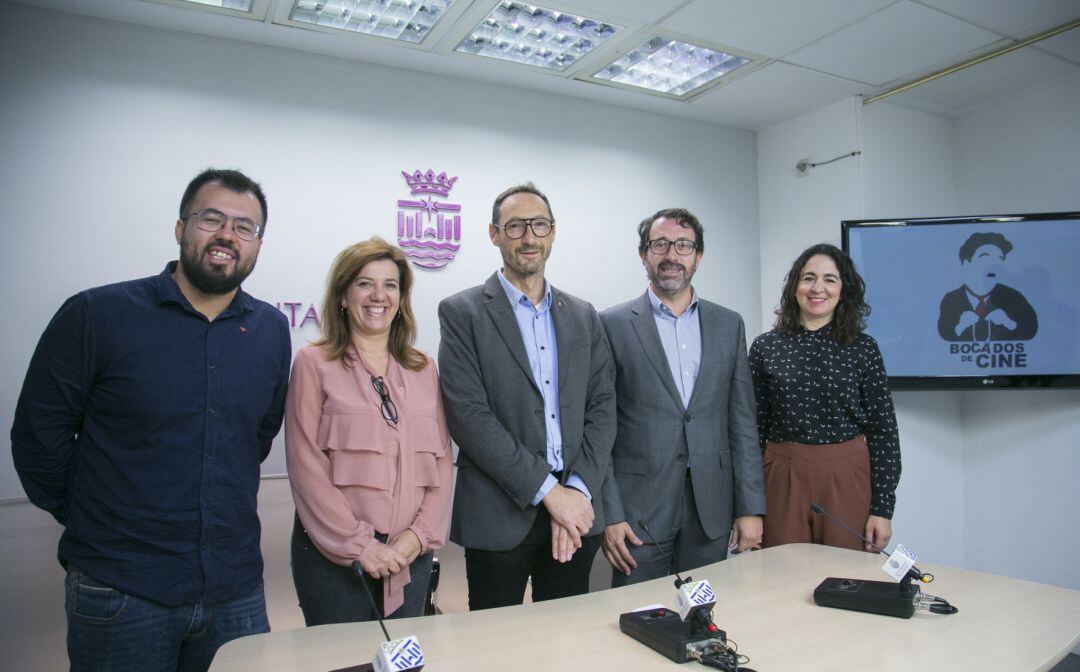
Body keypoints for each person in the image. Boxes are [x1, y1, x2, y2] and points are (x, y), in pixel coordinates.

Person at [11, 168, 291, 672]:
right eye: (212, 219)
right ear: (181, 228)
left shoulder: (270, 330)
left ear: (257, 244)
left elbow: (257, 435)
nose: (227, 235)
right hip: (121, 590)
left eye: (244, 227)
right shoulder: (98, 314)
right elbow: (38, 438)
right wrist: (96, 518)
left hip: (235, 589)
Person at [437, 182, 616, 610]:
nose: (529, 238)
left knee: (566, 641)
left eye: (539, 225)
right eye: (515, 227)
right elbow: (469, 416)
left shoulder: (583, 315)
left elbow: (603, 407)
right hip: (500, 515)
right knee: (496, 647)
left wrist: (576, 490)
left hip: (577, 512)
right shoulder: (462, 312)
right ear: (494, 234)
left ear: (553, 233)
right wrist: (550, 494)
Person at [285, 238, 452, 625]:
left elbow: (442, 461)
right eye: (364, 283)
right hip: (335, 560)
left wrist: (417, 537)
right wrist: (360, 545)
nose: (379, 295)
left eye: (390, 285)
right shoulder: (313, 363)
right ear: (343, 295)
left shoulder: (423, 367)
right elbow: (305, 464)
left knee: (402, 663)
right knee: (345, 663)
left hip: (410, 557)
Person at [599, 208, 765, 585]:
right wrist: (610, 513)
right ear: (644, 254)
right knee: (637, 616)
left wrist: (751, 508)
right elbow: (600, 429)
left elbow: (742, 422)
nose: (672, 255)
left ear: (698, 256)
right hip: (638, 510)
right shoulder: (610, 325)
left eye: (683, 245)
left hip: (712, 507)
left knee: (705, 619)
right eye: (660, 245)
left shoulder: (728, 324)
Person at [749, 243, 901, 552]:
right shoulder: (765, 348)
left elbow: (883, 432)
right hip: (781, 477)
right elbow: (752, 431)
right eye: (808, 278)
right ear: (794, 287)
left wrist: (883, 508)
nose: (818, 288)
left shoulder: (864, 349)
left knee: (847, 580)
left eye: (830, 279)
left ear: (843, 290)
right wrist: (748, 506)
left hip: (846, 478)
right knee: (779, 577)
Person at [937, 231, 1037, 342]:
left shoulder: (1013, 297)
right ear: (966, 263)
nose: (993, 265)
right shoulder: (952, 299)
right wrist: (960, 326)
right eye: (984, 257)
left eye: (999, 259)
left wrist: (1009, 323)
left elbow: (1031, 331)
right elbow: (942, 335)